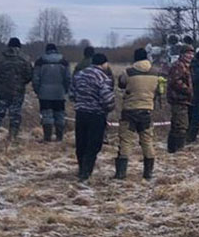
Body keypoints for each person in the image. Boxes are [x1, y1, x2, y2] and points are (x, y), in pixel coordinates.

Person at [70, 52, 114, 182]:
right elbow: (107, 99)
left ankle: (81, 168)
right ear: (104, 63)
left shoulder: (79, 75)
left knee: (81, 142)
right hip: (96, 114)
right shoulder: (103, 77)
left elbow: (72, 94)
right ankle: (86, 172)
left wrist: (81, 102)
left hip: (80, 113)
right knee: (93, 144)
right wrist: (109, 108)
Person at [117, 48, 158, 180]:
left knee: (126, 141)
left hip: (130, 111)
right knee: (147, 141)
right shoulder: (155, 72)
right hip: (146, 110)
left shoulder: (128, 72)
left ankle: (121, 174)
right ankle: (148, 173)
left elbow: (121, 84)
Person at [0, 37, 33, 144]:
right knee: (15, 114)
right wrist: (21, 83)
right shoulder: (25, 58)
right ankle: (12, 138)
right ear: (19, 46)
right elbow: (29, 75)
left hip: (2, 91)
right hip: (18, 91)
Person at [32, 43, 71, 143]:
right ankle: (59, 137)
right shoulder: (64, 61)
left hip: (44, 92)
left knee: (46, 115)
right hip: (59, 92)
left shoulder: (40, 61)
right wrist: (65, 90)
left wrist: (37, 90)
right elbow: (68, 78)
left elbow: (36, 78)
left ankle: (47, 137)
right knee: (60, 114)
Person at [166, 45, 195, 152]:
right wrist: (188, 90)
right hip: (178, 99)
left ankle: (172, 149)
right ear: (182, 54)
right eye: (188, 54)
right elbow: (175, 81)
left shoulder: (186, 66)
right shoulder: (178, 66)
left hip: (183, 100)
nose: (190, 56)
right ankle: (178, 149)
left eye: (192, 54)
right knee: (181, 126)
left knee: (176, 125)